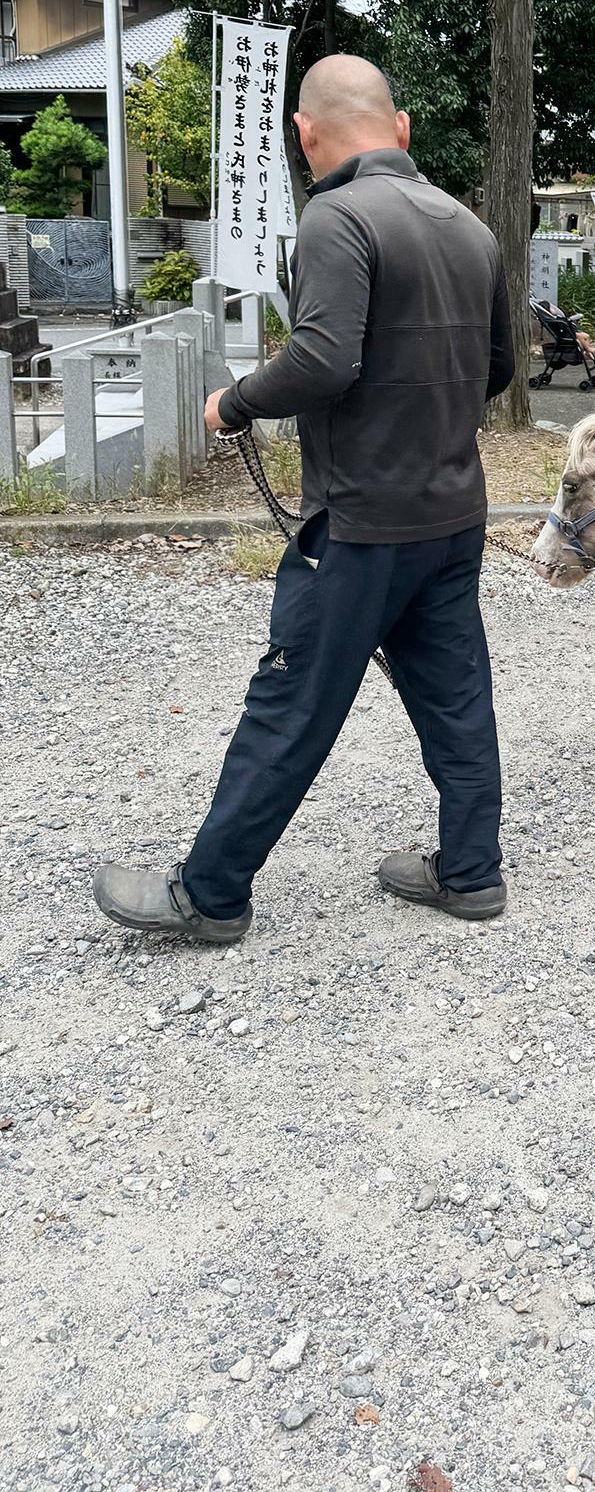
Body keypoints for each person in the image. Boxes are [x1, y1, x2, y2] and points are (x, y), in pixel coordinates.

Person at [92, 54, 514, 941]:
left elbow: (325, 360)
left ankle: (208, 895)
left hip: (360, 524)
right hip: (452, 515)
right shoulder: (470, 229)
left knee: (290, 702)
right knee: (456, 696)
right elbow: (502, 368)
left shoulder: (337, 216)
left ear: (304, 133)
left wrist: (232, 403)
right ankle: (472, 873)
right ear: (401, 129)